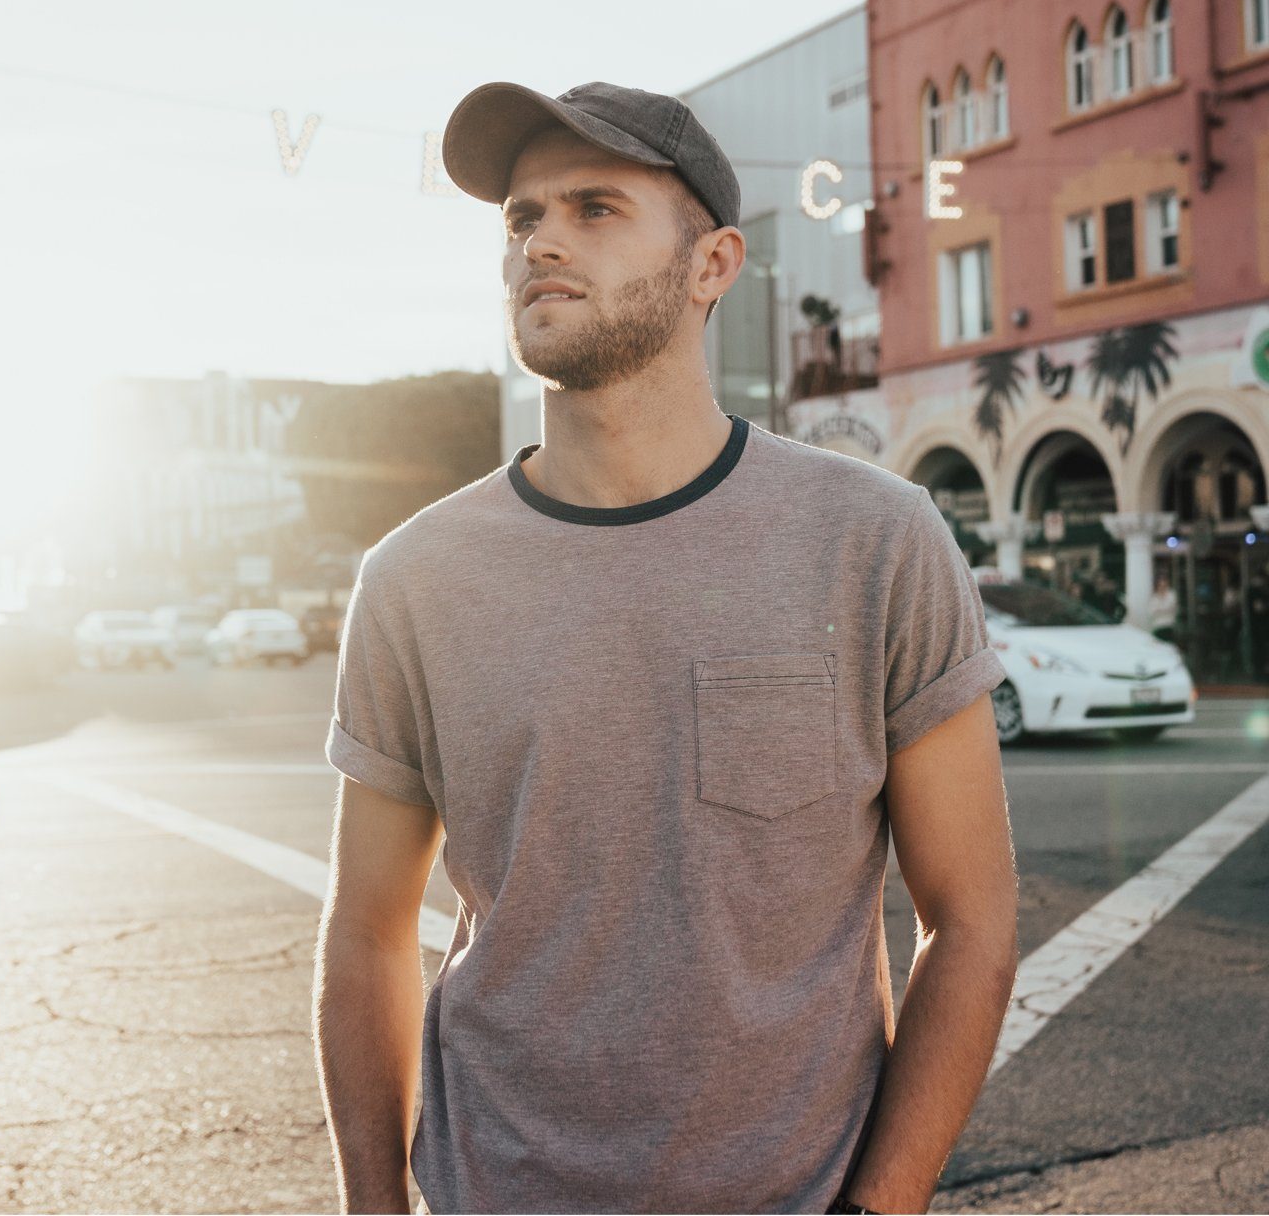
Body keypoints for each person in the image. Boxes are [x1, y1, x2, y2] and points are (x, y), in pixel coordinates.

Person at [313, 81, 1018, 1216]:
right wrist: (371, 1206)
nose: (539, 238)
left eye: (595, 207)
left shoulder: (874, 540)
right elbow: (366, 928)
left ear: (712, 265)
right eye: (520, 217)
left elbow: (970, 919)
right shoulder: (415, 578)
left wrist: (877, 1206)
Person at [1149, 572, 1178, 642]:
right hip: (1157, 627)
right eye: (1160, 585)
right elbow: (1151, 612)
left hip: (1169, 626)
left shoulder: (1171, 594)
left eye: (1164, 585)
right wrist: (1163, 609)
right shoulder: (1154, 597)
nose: (1162, 587)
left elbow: (1171, 607)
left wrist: (1159, 609)